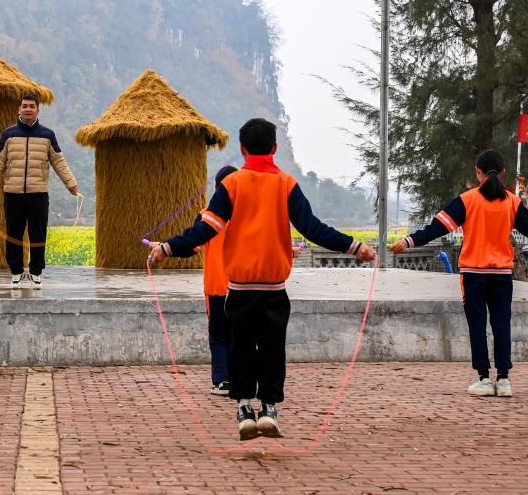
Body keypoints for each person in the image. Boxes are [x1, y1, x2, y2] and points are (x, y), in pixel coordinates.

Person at [149, 119, 375, 440]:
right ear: (275, 148)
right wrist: (354, 246)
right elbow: (312, 228)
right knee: (272, 349)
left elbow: (205, 229)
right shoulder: (286, 184)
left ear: (242, 149)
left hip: (240, 289)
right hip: (274, 289)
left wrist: (168, 247)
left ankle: (244, 409)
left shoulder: (232, 185)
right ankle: (268, 408)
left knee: (239, 348)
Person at [392, 149, 528, 397]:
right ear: (504, 173)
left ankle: (484, 379)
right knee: (501, 323)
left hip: (473, 274)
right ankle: (504, 379)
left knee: (477, 324)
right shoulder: (512, 203)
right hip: (502, 274)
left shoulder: (467, 200)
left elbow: (435, 229)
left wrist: (409, 241)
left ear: (477, 172)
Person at [0, 95, 79, 289]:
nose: (28, 109)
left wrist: (71, 184)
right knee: (14, 233)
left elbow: (58, 161)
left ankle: (36, 272)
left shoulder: (47, 135)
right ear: (19, 110)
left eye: (32, 106)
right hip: (13, 194)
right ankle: (16, 272)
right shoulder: (8, 134)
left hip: (38, 194)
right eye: (24, 106)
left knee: (38, 234)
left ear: (37, 111)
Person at [203, 165, 237, 397]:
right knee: (240, 336)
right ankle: (240, 379)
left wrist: (164, 247)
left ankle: (222, 380)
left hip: (216, 287)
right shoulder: (248, 218)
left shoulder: (207, 216)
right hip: (242, 287)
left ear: (216, 189)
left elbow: (192, 243)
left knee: (218, 336)